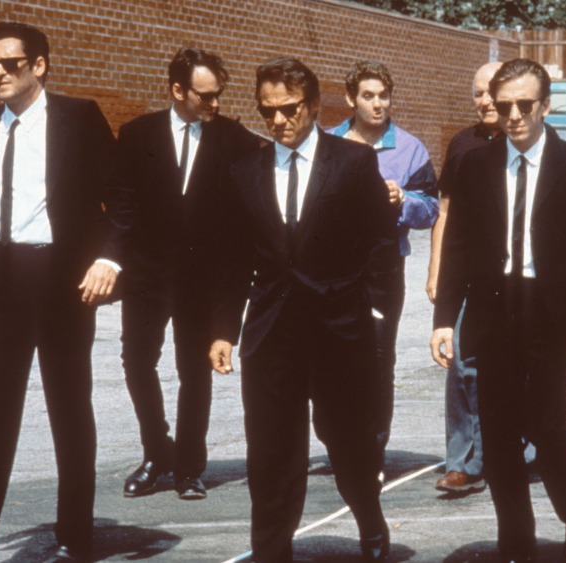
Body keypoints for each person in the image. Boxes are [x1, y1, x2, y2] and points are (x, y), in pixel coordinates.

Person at [208, 57, 399, 563]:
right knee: (270, 451)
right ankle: (271, 551)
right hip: (272, 334)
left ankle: (369, 518)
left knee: (350, 443)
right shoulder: (244, 172)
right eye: (267, 111)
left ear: (313, 105)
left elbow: (381, 246)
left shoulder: (353, 162)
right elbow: (233, 259)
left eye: (289, 108)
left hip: (341, 330)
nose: (278, 120)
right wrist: (224, 329)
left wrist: (377, 314)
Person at [430, 58, 566, 563]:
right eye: (504, 105)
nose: (513, 115)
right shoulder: (476, 164)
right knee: (496, 435)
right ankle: (515, 539)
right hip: (494, 311)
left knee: (549, 427)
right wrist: (445, 318)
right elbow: (458, 247)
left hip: (550, 314)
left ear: (545, 106)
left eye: (524, 105)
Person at [0, 21, 117, 563]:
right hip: (1, 282)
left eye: (9, 63)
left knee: (70, 409)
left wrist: (108, 259)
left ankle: (76, 537)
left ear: (38, 66)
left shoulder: (78, 118)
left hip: (62, 283)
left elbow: (124, 197)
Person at [111, 48, 259, 500]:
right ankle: (157, 452)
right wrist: (113, 261)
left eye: (218, 94)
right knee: (137, 362)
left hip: (202, 283)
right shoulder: (137, 135)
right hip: (146, 278)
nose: (214, 103)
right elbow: (123, 207)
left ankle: (190, 467)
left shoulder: (235, 140)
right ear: (178, 90)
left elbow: (242, 224)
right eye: (205, 95)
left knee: (194, 371)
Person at [328, 60, 438, 472]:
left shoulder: (411, 149)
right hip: (331, 270)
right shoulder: (327, 142)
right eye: (368, 96)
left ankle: (372, 452)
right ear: (350, 99)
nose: (378, 105)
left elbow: (431, 210)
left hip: (384, 271)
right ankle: (341, 443)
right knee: (333, 360)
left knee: (377, 359)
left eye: (384, 96)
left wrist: (403, 199)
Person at [426, 60, 502, 494]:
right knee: (461, 365)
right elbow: (446, 212)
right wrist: (436, 270)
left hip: (519, 277)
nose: (485, 101)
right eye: (478, 92)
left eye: (492, 91)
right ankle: (465, 461)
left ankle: (526, 446)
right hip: (471, 276)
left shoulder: (531, 140)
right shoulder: (462, 144)